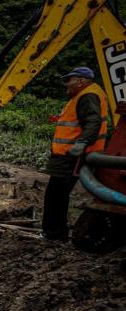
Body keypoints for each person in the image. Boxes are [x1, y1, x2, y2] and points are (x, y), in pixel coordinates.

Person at [42, 66, 107, 241]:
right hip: (68, 154)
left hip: (70, 155)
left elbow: (93, 121)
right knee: (57, 194)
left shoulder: (88, 95)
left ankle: (54, 234)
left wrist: (82, 142)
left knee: (56, 195)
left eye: (69, 80)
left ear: (81, 81)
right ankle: (55, 232)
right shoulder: (84, 95)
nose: (67, 83)